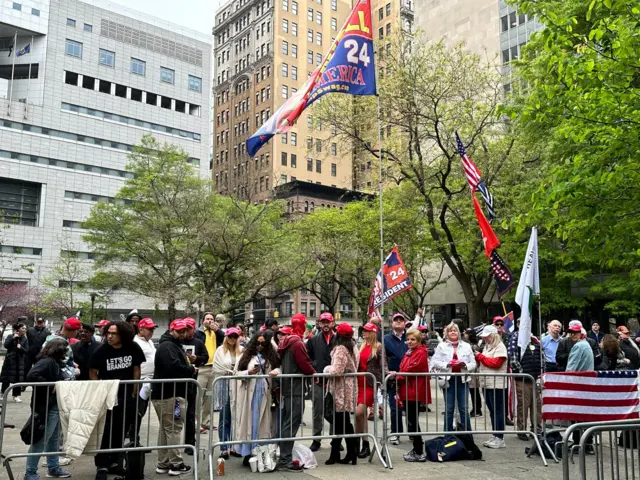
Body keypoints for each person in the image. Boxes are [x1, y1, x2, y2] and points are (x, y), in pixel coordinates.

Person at [89, 321, 144, 480]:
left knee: (122, 429)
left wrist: (135, 388)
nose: (110, 336)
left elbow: (136, 368)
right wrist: (99, 389)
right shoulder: (102, 350)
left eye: (114, 334)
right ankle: (102, 464)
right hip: (109, 396)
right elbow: (93, 371)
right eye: (108, 333)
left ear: (123, 335)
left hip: (127, 395)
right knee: (108, 430)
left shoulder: (133, 347)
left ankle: (115, 461)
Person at [151, 319, 194, 477]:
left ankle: (164, 463)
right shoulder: (168, 346)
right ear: (171, 330)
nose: (183, 334)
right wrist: (190, 369)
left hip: (166, 394)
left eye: (184, 331)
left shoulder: (169, 345)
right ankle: (176, 464)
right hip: (171, 395)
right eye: (179, 331)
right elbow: (174, 368)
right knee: (174, 430)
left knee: (166, 430)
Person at [23, 338, 70, 480]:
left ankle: (53, 467)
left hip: (52, 406)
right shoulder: (48, 362)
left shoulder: (52, 362)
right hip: (47, 407)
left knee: (53, 440)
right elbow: (32, 375)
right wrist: (51, 385)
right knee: (41, 441)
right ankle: (30, 472)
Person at [235, 331, 280, 466]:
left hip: (264, 393)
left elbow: (279, 368)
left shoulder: (271, 356)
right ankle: (247, 452)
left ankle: (261, 452)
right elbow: (236, 373)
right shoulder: (245, 356)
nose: (260, 346)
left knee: (263, 424)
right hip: (249, 394)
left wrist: (276, 371)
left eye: (263, 343)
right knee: (249, 423)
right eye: (257, 343)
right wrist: (248, 372)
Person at [276, 325, 316, 471]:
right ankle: (285, 459)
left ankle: (284, 457)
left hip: (289, 388)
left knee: (288, 423)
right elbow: (305, 365)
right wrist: (314, 373)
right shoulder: (297, 343)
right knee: (291, 423)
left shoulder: (286, 343)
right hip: (295, 389)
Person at [323, 323, 359, 466]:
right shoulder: (352, 346)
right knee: (342, 421)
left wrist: (326, 369)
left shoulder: (341, 349)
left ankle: (345, 451)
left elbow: (337, 370)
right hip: (347, 386)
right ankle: (346, 451)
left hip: (340, 388)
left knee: (341, 421)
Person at [393, 328, 430, 462]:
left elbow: (412, 369)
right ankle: (417, 448)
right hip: (408, 389)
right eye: (408, 339)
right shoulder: (411, 352)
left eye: (412, 339)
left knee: (413, 420)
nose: (409, 341)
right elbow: (404, 367)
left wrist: (397, 376)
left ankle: (419, 450)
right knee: (411, 420)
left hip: (414, 390)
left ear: (418, 340)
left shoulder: (420, 352)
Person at [431, 322, 476, 432]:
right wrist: (447, 364)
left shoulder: (466, 346)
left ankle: (467, 434)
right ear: (447, 333)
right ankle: (448, 434)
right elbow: (435, 362)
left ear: (458, 333)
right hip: (448, 380)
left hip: (462, 379)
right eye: (450, 330)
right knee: (449, 408)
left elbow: (474, 363)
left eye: (455, 330)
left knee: (464, 409)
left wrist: (465, 365)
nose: (453, 332)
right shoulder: (441, 346)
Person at [507, 320, 543, 440]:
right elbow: (512, 359)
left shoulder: (535, 340)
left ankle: (537, 429)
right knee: (523, 405)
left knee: (537, 405)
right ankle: (522, 430)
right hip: (523, 379)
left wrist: (541, 375)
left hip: (535, 378)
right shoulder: (515, 339)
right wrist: (523, 373)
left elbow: (542, 358)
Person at [212, 327, 244, 460]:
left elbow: (244, 365)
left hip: (238, 386)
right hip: (224, 385)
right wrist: (232, 372)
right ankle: (224, 448)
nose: (232, 339)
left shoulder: (242, 350)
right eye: (230, 336)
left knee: (237, 417)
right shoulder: (220, 350)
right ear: (226, 337)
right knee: (224, 417)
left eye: (235, 337)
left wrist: (235, 372)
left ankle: (234, 446)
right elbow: (217, 367)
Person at [305, 312, 335, 452]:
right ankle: (316, 439)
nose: (325, 324)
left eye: (328, 322)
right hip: (318, 381)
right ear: (319, 323)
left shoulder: (338, 339)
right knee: (317, 411)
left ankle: (336, 439)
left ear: (332, 323)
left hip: (335, 382)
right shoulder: (313, 340)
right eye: (323, 322)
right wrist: (314, 368)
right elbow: (307, 358)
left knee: (335, 410)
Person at [475, 325, 508, 449]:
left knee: (497, 411)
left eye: (487, 337)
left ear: (493, 336)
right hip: (487, 383)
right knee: (492, 410)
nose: (485, 339)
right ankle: (495, 435)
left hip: (496, 384)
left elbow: (496, 363)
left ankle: (499, 437)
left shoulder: (500, 347)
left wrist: (480, 357)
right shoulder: (488, 347)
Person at [355, 322, 382, 459]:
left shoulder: (378, 347)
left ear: (372, 332)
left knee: (360, 412)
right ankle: (363, 443)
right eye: (362, 331)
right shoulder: (361, 346)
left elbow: (383, 366)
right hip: (358, 383)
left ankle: (360, 442)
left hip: (370, 384)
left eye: (365, 331)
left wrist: (386, 380)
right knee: (359, 415)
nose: (363, 333)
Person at [181, 317, 209, 453]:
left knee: (190, 414)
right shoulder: (177, 341)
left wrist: (196, 359)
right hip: (177, 382)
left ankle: (190, 443)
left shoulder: (198, 342)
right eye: (184, 329)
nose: (186, 332)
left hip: (192, 382)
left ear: (193, 329)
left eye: (189, 329)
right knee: (175, 415)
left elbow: (206, 357)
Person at [195, 311, 225, 432]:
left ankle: (206, 422)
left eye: (212, 319)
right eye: (207, 319)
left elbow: (225, 338)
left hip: (213, 368)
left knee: (209, 397)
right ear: (203, 321)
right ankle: (196, 423)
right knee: (198, 396)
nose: (210, 321)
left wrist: (217, 330)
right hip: (202, 368)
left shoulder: (216, 333)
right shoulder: (198, 333)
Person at [384, 313, 409, 444]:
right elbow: (382, 359)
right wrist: (387, 371)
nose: (398, 322)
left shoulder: (410, 337)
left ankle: (413, 432)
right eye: (396, 320)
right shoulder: (386, 338)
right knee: (395, 408)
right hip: (393, 379)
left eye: (401, 320)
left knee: (411, 407)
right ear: (392, 323)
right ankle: (395, 432)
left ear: (405, 323)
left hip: (409, 378)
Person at [131, 317, 158, 439]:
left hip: (149, 380)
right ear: (141, 329)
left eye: (153, 329)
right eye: (149, 329)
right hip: (140, 381)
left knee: (142, 411)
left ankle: (135, 437)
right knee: (137, 411)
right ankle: (133, 438)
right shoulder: (135, 342)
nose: (152, 331)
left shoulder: (150, 342)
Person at [1, 321, 29, 402]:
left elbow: (26, 350)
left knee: (17, 379)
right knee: (6, 378)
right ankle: (3, 393)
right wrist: (13, 338)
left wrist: (21, 348)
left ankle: (16, 395)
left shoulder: (24, 339)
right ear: (18, 329)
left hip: (19, 361)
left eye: (25, 328)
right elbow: (6, 345)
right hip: (9, 360)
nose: (24, 330)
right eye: (23, 328)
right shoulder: (10, 336)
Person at [464, 328, 482, 418]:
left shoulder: (473, 346)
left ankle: (477, 409)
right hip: (470, 370)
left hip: (473, 371)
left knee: (474, 390)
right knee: (473, 390)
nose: (464, 334)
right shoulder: (468, 345)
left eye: (466, 333)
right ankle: (476, 408)